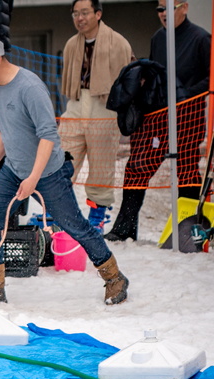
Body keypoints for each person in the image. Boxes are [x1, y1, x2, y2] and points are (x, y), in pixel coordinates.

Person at [0, 38, 130, 306]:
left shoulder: (29, 87)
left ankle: (115, 278)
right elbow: (5, 129)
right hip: (14, 170)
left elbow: (48, 135)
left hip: (49, 173)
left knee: (75, 226)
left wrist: (33, 179)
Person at [105, 0, 210, 242]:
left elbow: (210, 79)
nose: (163, 13)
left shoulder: (201, 38)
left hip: (187, 117)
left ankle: (189, 233)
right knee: (137, 167)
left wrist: (184, 95)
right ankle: (124, 229)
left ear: (184, 7)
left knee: (186, 171)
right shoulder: (158, 38)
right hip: (159, 118)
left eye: (168, 8)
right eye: (159, 9)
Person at [58, 0, 133, 230]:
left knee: (102, 164)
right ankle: (56, 216)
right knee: (61, 156)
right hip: (77, 101)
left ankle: (97, 218)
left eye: (85, 13)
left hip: (105, 104)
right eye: (75, 14)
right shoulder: (72, 44)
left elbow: (131, 75)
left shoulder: (118, 42)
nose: (79, 18)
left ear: (98, 14)